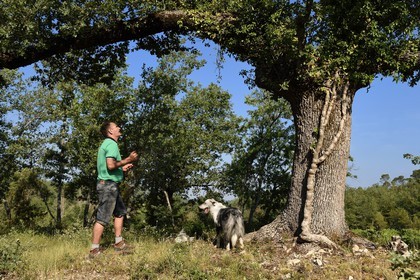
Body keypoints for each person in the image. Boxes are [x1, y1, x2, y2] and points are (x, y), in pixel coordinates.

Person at [89, 121, 138, 258]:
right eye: (116, 126)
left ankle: (118, 242)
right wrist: (128, 159)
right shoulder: (111, 144)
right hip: (108, 186)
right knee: (103, 217)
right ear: (110, 131)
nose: (119, 128)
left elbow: (109, 166)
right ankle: (94, 250)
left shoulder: (107, 144)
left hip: (111, 185)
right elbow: (110, 165)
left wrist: (122, 168)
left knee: (120, 212)